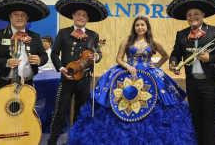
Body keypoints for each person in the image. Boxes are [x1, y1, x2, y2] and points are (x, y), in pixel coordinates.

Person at [67, 14, 197, 145]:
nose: (140, 27)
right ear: (134, 27)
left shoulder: (153, 41)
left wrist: (156, 66)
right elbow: (118, 58)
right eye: (137, 25)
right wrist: (127, 65)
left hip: (149, 74)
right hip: (127, 73)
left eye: (142, 25)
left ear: (147, 26)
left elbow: (165, 55)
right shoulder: (127, 40)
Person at [167, 0, 215, 145]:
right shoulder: (182, 34)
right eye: (189, 15)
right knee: (196, 117)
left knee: (211, 118)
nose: (192, 17)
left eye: (196, 14)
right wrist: (173, 63)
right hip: (192, 82)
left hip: (210, 82)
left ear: (203, 14)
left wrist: (211, 59)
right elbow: (175, 54)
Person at [47, 0, 108, 145]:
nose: (81, 17)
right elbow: (54, 54)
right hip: (67, 78)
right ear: (73, 16)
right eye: (78, 14)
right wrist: (61, 68)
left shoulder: (93, 35)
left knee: (81, 112)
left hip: (85, 80)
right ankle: (52, 141)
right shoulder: (63, 32)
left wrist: (97, 57)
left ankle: (77, 140)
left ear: (87, 19)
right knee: (60, 112)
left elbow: (97, 53)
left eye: (84, 15)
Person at [0, 0, 50, 91]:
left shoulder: (35, 36)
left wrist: (39, 60)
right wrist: (6, 62)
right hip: (5, 83)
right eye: (16, 14)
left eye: (23, 15)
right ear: (10, 17)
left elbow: (44, 56)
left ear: (27, 18)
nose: (20, 18)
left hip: (28, 83)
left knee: (27, 107)